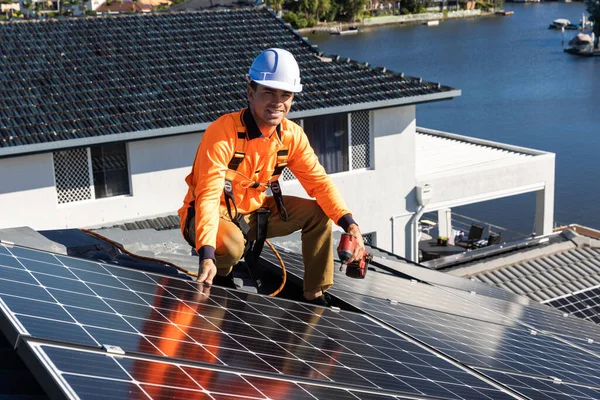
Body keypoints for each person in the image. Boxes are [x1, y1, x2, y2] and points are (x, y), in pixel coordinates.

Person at [178, 48, 364, 305]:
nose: (277, 102)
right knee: (232, 246)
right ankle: (221, 277)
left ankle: (314, 293)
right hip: (211, 215)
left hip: (253, 213)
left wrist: (350, 225)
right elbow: (208, 196)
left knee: (319, 213)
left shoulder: (291, 136)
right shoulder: (223, 132)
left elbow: (319, 183)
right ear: (250, 93)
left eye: (285, 94)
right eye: (268, 92)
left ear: (292, 99)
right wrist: (207, 255)